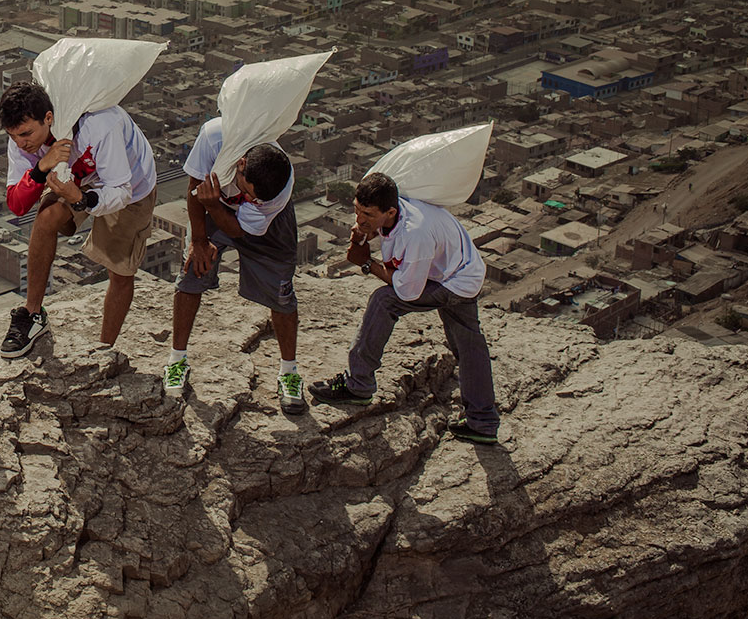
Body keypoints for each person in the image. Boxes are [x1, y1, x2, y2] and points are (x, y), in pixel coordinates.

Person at [309, 171, 501, 444]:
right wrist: (365, 233)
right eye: (357, 210)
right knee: (469, 345)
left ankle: (358, 384)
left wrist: (366, 263)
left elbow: (407, 291)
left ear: (389, 211)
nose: (360, 219)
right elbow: (386, 240)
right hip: (461, 268)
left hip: (453, 281)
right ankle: (483, 421)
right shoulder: (397, 210)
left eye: (368, 215)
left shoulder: (416, 234)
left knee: (383, 300)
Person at [0, 81, 159, 359]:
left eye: (25, 134)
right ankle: (33, 315)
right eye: (13, 136)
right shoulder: (23, 140)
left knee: (119, 270)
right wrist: (39, 169)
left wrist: (81, 200)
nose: (21, 143)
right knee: (46, 217)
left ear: (48, 118)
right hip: (77, 175)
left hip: (129, 183)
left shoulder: (98, 126)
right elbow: (17, 204)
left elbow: (121, 190)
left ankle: (103, 349)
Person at [165, 118, 302, 413]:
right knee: (192, 274)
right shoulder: (215, 137)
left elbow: (241, 229)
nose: (251, 198)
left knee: (281, 294)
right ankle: (176, 361)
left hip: (263, 226)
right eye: (249, 191)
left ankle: (289, 372)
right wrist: (199, 241)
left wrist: (215, 205)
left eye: (256, 198)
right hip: (216, 205)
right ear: (240, 164)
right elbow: (193, 188)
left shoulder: (277, 190)